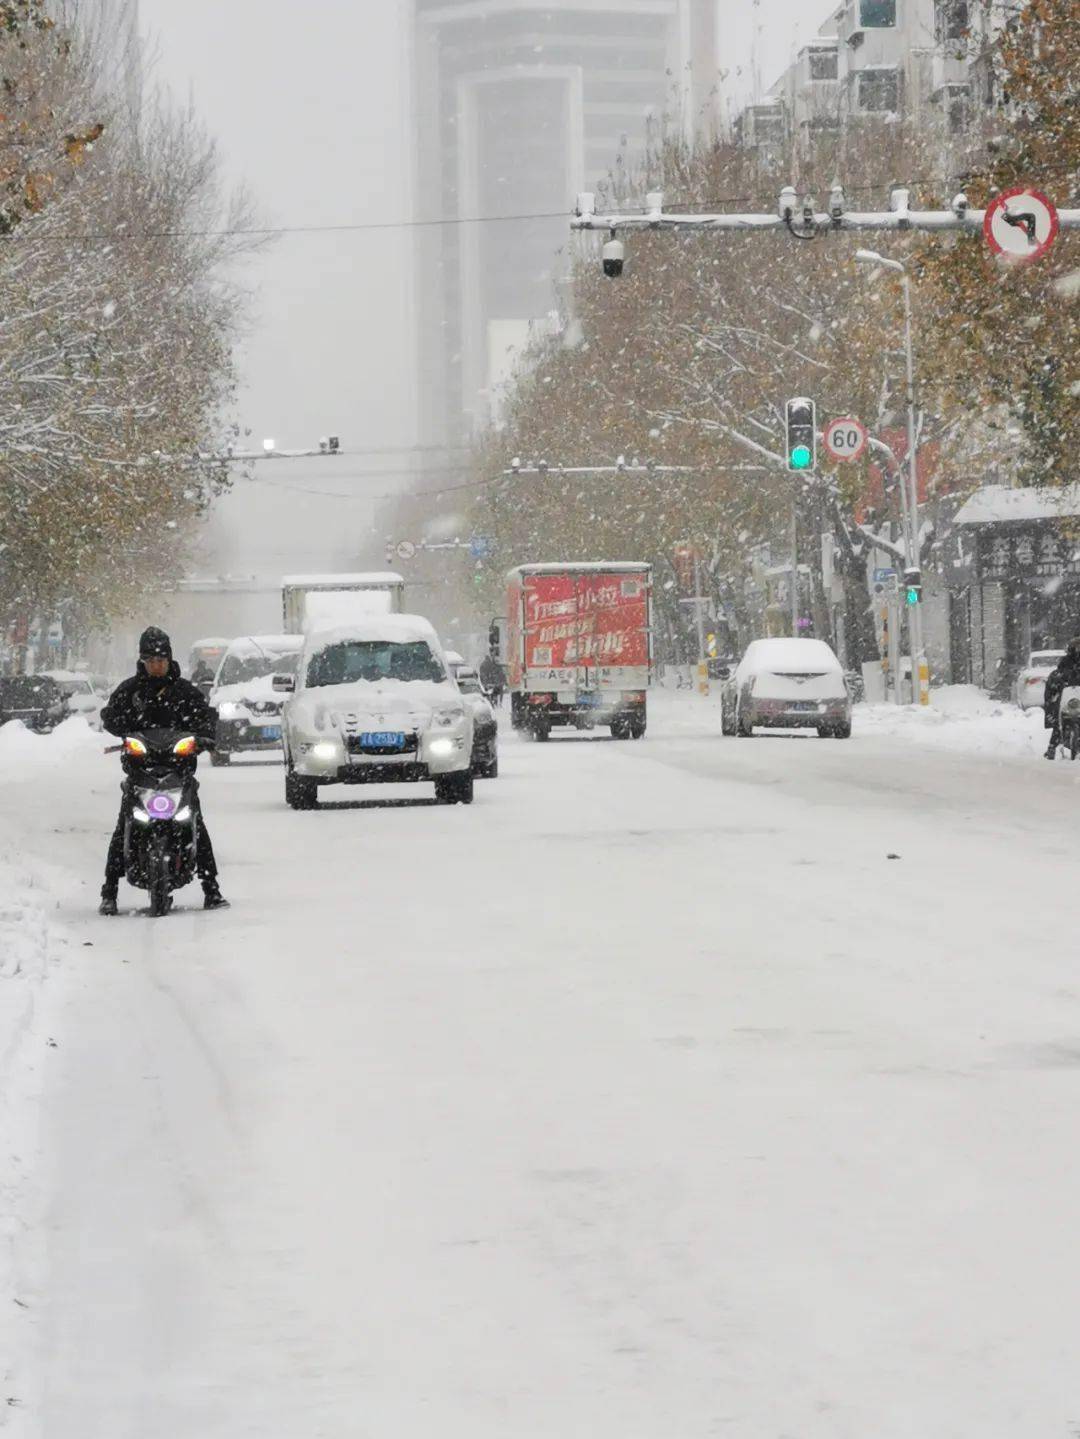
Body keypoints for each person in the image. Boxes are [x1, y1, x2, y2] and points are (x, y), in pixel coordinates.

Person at [99, 627, 227, 913]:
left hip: (178, 773)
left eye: (161, 660)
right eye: (150, 660)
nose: (156, 665)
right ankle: (110, 890)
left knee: (196, 822)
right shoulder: (130, 691)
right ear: (143, 661)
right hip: (141, 772)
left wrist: (203, 737)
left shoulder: (184, 692)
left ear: (169, 659)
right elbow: (111, 717)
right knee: (123, 826)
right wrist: (124, 732)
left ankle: (212, 888)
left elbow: (204, 717)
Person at [1042, 637, 1080, 759]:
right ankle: (1052, 748)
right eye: (1076, 646)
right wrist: (1057, 683)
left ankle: (1051, 748)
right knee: (1058, 723)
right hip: (1068, 698)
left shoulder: (1066, 661)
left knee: (1057, 723)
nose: (1077, 649)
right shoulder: (1065, 662)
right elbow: (1057, 675)